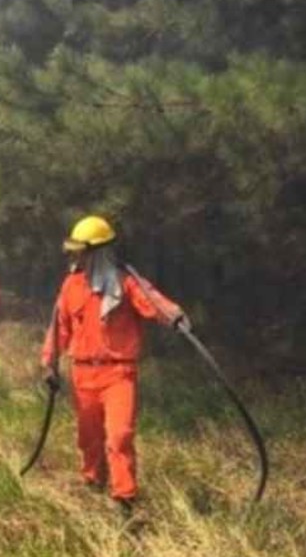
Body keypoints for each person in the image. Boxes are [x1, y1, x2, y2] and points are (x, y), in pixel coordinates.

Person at [41, 215, 188, 516]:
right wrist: (49, 363)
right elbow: (59, 328)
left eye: (81, 252)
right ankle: (93, 482)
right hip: (82, 374)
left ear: (98, 252)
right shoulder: (71, 285)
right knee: (88, 437)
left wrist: (175, 316)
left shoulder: (126, 283)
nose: (75, 258)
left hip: (119, 373)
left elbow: (153, 302)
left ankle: (124, 498)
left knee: (120, 435)